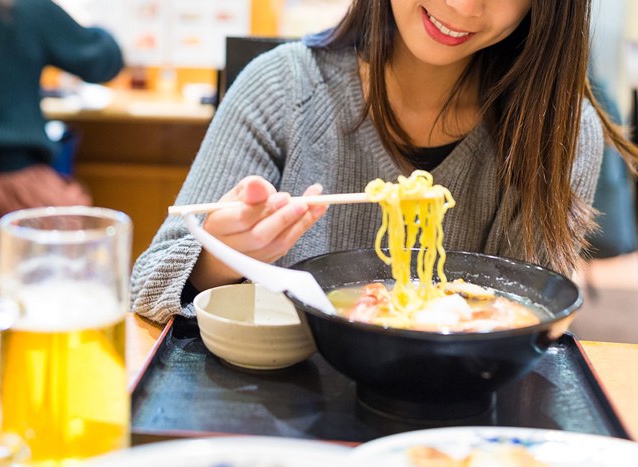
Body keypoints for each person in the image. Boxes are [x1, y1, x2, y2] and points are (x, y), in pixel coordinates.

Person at [131, 0, 638, 325]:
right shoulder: (282, 89)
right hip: (289, 408)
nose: (462, 5)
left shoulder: (556, 131)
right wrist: (221, 256)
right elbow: (149, 287)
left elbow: (533, 318)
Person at [0, 0, 124, 259]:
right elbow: (105, 62)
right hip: (15, 191)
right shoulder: (24, 9)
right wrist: (79, 21)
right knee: (87, 243)